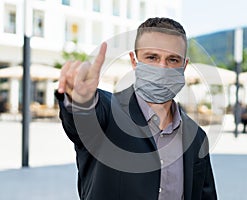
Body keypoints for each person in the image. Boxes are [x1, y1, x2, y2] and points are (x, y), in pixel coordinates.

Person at [56, 17, 217, 200]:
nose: (162, 68)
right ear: (134, 60)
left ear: (184, 66)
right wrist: (81, 102)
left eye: (173, 59)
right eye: (152, 57)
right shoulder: (107, 113)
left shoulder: (196, 137)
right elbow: (82, 121)